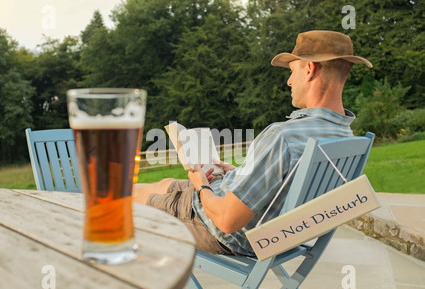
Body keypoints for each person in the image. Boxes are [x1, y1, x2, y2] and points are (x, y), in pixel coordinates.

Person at [133, 30, 373, 256]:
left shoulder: (284, 136)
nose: (289, 81)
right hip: (270, 229)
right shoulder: (346, 137)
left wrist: (201, 186)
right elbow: (289, 185)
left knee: (127, 204)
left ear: (309, 69)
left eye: (292, 71)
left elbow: (227, 220)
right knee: (164, 183)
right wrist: (241, 173)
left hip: (227, 232)